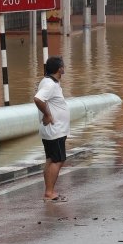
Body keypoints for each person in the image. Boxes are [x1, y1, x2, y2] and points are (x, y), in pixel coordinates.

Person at [33, 56, 71, 202]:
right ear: (60, 69)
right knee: (58, 160)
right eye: (63, 67)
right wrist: (48, 115)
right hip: (55, 130)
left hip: (53, 130)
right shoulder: (49, 84)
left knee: (51, 159)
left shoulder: (48, 82)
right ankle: (49, 193)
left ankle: (49, 191)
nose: (64, 69)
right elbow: (38, 99)